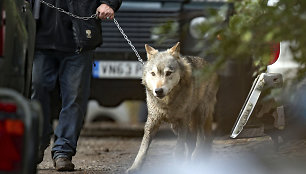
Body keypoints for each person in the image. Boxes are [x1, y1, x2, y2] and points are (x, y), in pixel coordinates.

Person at [31, 0, 121, 171]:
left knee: (74, 96)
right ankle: (36, 142)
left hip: (79, 40)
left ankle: (63, 152)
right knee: (37, 88)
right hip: (39, 39)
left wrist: (108, 3)